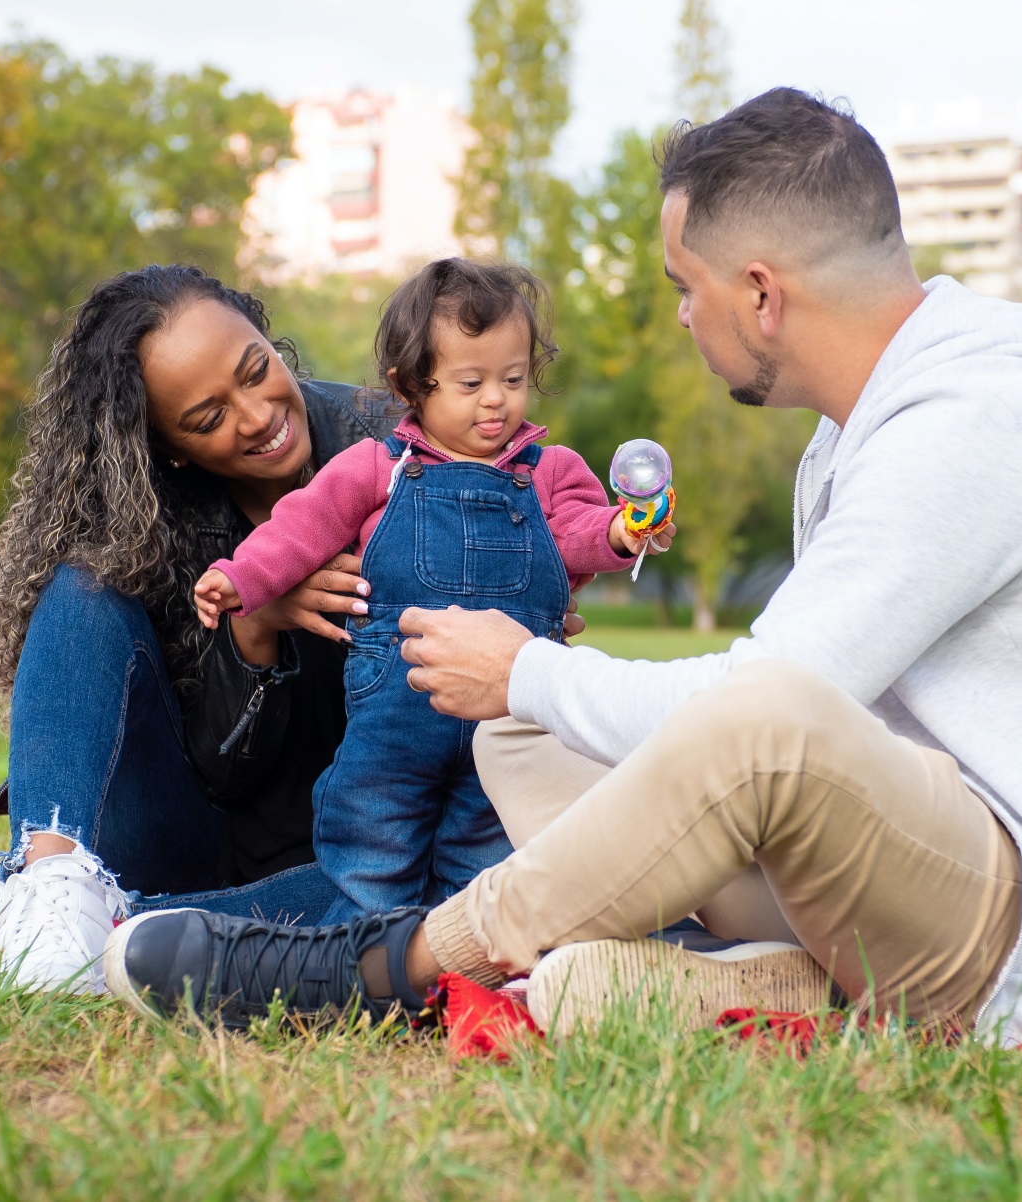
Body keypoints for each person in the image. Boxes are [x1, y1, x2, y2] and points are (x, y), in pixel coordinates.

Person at [102, 88, 1022, 1056]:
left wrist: (530, 663)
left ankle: (387, 961)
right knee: (522, 735)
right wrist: (529, 686)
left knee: (735, 714)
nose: (684, 315)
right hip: (909, 858)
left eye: (687, 288)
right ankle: (757, 969)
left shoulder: (973, 432)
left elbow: (775, 710)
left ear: (761, 292)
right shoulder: (866, 428)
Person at [0, 264, 424, 993]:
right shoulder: (147, 518)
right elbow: (220, 774)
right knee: (82, 587)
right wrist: (254, 625)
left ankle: (62, 920)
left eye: (255, 370)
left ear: (270, 341)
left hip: (364, 846)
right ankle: (51, 877)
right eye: (207, 418)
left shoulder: (403, 444)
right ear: (171, 447)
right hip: (195, 827)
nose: (257, 415)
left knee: (424, 901)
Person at [194, 260, 667, 921]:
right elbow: (300, 528)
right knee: (373, 833)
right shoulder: (378, 468)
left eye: (514, 378)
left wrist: (619, 532)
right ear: (411, 386)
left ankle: (454, 958)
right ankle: (361, 949)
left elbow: (576, 532)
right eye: (471, 383)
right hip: (397, 708)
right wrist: (241, 577)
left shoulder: (551, 471)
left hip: (508, 718)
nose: (496, 399)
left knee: (489, 849)